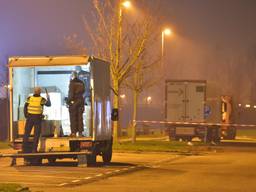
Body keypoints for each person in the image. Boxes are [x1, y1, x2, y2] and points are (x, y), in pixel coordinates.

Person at [22, 87, 51, 153]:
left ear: (34, 92)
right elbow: (49, 104)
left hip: (29, 117)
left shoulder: (29, 98)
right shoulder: (42, 99)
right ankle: (34, 149)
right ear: (40, 92)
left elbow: (25, 107)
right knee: (36, 134)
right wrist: (48, 97)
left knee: (26, 133)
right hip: (37, 118)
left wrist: (26, 115)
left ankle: (24, 149)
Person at [67, 71, 85, 137]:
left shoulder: (72, 83)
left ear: (72, 76)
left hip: (74, 101)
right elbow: (84, 91)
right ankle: (80, 133)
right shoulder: (81, 82)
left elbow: (71, 93)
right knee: (80, 117)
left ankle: (73, 133)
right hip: (81, 100)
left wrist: (68, 101)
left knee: (73, 117)